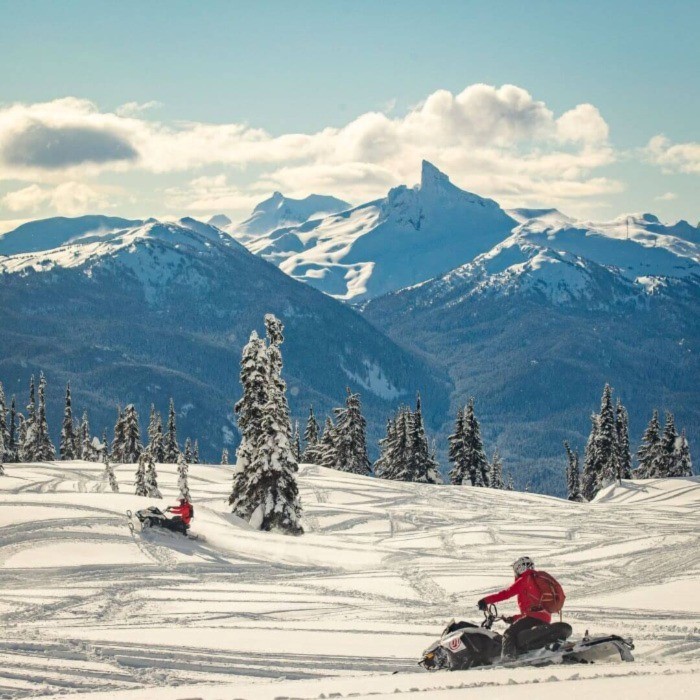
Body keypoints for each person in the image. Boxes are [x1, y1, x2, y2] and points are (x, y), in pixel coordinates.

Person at [477, 556, 553, 661]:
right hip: (544, 617)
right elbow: (533, 610)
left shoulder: (525, 579)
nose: (515, 572)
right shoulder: (536, 580)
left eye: (515, 569)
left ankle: (507, 658)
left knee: (509, 633)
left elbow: (506, 594)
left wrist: (485, 601)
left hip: (534, 617)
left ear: (520, 568)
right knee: (520, 634)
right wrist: (513, 618)